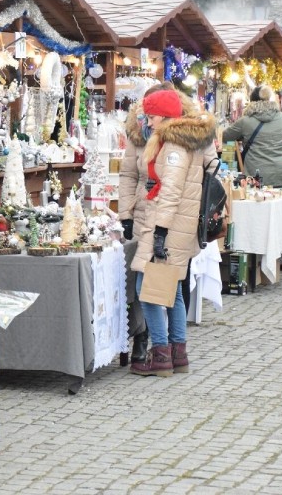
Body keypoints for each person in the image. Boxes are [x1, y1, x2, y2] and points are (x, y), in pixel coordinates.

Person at [129, 89, 218, 377]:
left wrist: (159, 232)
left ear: (165, 117)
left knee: (148, 292)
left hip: (167, 227)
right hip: (178, 226)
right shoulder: (184, 141)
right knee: (173, 291)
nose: (149, 122)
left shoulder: (174, 147)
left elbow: (171, 192)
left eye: (152, 116)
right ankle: (178, 356)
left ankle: (161, 356)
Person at [222, 85, 282, 272]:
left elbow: (226, 136)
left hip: (258, 175)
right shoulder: (281, 117)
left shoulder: (246, 121)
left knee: (259, 216)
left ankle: (260, 257)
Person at [118, 85, 163, 366]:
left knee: (157, 279)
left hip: (162, 215)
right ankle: (141, 336)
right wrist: (125, 214)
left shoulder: (171, 137)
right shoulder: (137, 135)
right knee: (136, 280)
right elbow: (127, 175)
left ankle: (161, 340)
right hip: (139, 213)